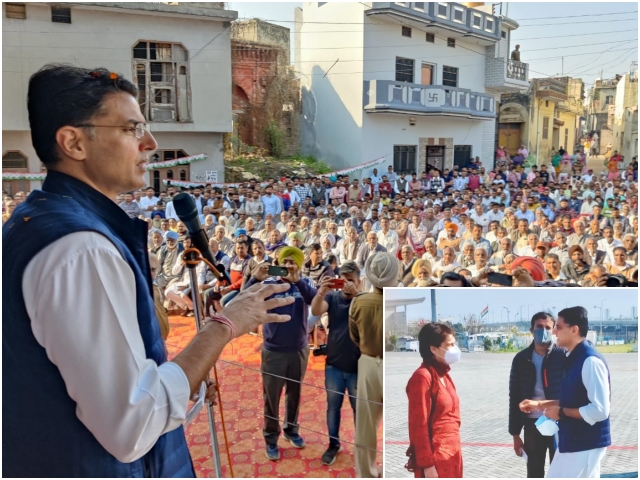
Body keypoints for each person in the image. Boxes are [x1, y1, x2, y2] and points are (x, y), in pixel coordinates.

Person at [3, 64, 295, 477]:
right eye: (132, 130)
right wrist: (223, 325)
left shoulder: (39, 218)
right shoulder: (81, 249)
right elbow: (132, 424)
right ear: (73, 142)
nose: (151, 144)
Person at [519, 307, 611, 478]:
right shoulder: (572, 358)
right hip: (572, 440)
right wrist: (540, 404)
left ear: (574, 329)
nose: (554, 332)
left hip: (585, 443)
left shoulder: (590, 361)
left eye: (558, 327)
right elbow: (573, 399)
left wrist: (560, 412)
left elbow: (600, 410)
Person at [246, 247, 317, 461]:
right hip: (273, 351)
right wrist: (253, 278)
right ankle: (271, 439)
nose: (288, 266)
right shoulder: (268, 284)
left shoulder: (305, 284)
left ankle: (291, 431)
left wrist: (298, 281)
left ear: (298, 265)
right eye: (284, 262)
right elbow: (245, 298)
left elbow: (315, 301)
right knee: (271, 398)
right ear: (277, 262)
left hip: (298, 350)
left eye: (292, 263)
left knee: (294, 394)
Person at [311, 262, 362, 466]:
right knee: (333, 407)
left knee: (360, 409)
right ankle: (333, 444)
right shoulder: (332, 297)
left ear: (359, 281)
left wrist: (357, 294)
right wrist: (321, 292)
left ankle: (361, 446)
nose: (347, 284)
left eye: (352, 280)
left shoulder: (363, 300)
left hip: (358, 368)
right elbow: (315, 310)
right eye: (344, 280)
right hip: (333, 365)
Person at [350, 253, 394, 478]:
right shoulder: (396, 301)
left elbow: (355, 337)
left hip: (367, 363)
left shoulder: (359, 301)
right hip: (394, 367)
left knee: (366, 426)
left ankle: (366, 473)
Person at [509, 312, 566, 478]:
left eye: (547, 327)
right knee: (534, 471)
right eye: (539, 327)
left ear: (554, 330)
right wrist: (515, 434)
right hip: (533, 424)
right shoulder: (521, 359)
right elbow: (514, 397)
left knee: (560, 470)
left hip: (558, 421)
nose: (543, 330)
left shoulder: (562, 356)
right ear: (531, 330)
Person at [405, 322, 463, 478]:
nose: (454, 349)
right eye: (449, 345)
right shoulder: (422, 378)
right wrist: (427, 465)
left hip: (452, 454)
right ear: (433, 349)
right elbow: (418, 425)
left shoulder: (444, 375)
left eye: (454, 345)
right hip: (436, 459)